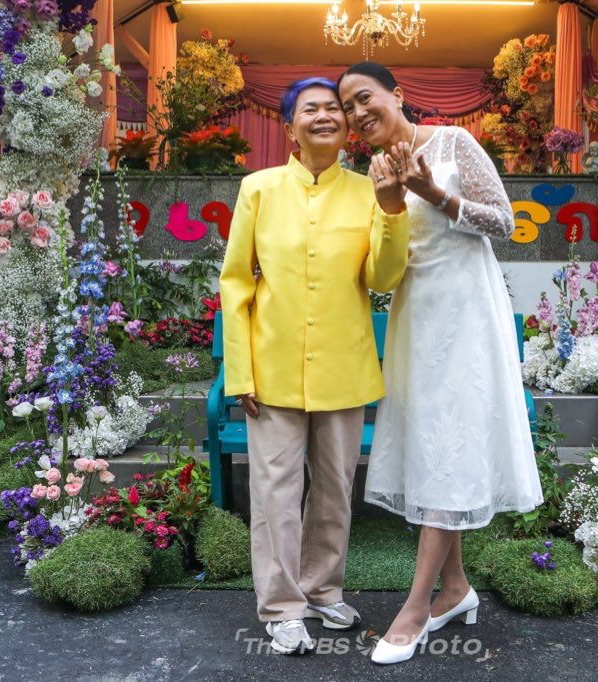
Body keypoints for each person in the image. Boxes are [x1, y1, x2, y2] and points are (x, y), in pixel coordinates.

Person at [337, 62, 544, 665]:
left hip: (467, 320)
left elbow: (504, 223)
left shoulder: (455, 143)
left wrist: (433, 193)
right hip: (414, 320)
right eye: (349, 106)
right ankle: (455, 589)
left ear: (397, 95)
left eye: (365, 98)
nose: (357, 113)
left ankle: (415, 607)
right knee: (432, 449)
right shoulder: (370, 171)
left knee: (449, 452)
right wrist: (390, 204)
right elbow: (384, 263)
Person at [219, 77, 410, 656]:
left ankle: (323, 588)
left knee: (333, 489)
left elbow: (383, 278)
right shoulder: (259, 188)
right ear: (289, 127)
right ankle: (281, 607)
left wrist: (391, 207)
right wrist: (241, 372)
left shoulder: (369, 187)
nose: (325, 116)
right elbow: (235, 283)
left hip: (344, 368)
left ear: (347, 125)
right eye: (312, 109)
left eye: (334, 108)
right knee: (275, 491)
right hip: (270, 369)